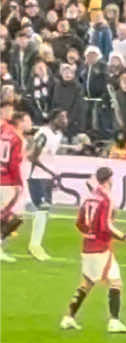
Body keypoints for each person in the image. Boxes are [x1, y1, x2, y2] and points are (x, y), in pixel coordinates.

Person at [60, 166, 126, 334]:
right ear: (108, 179)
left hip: (87, 246)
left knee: (87, 283)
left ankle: (68, 318)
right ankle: (114, 321)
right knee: (116, 282)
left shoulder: (89, 198)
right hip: (101, 248)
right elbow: (106, 225)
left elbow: (79, 223)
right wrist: (123, 236)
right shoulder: (106, 199)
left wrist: (89, 234)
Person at [25, 110, 69, 261]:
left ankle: (36, 245)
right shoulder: (44, 134)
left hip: (46, 177)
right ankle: (34, 245)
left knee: (44, 211)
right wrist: (49, 171)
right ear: (54, 119)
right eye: (62, 117)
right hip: (37, 176)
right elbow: (32, 156)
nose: (65, 120)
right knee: (41, 209)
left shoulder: (58, 135)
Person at [0, 106, 31, 262]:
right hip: (8, 180)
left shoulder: (6, 134)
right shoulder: (15, 137)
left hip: (3, 176)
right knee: (14, 216)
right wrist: (18, 183)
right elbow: (14, 163)